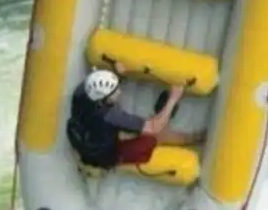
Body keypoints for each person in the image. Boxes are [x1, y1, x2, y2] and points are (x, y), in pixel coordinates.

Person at [65, 62, 206, 172]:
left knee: (124, 128)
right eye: (115, 91)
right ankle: (192, 139)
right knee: (155, 137)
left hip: (89, 134)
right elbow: (154, 128)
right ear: (105, 99)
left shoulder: (81, 93)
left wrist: (117, 75)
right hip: (102, 154)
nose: (119, 91)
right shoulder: (112, 116)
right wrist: (173, 99)